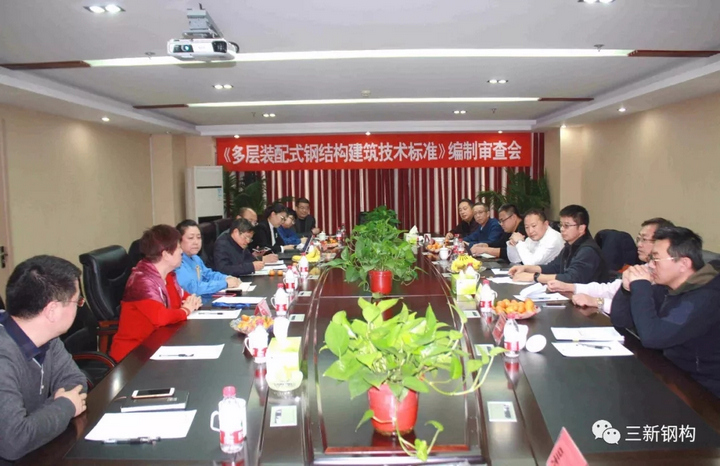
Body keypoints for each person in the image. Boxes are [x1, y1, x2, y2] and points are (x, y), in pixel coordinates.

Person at [611, 226, 720, 397]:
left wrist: (641, 286)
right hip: (671, 372)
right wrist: (626, 290)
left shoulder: (705, 298)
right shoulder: (666, 288)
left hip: (703, 389)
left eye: (656, 259)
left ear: (683, 264)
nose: (650, 265)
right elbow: (621, 321)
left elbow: (653, 337)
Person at [0, 255, 88, 461]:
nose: (79, 307)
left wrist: (38, 421)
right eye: (77, 301)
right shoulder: (3, 356)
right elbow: (14, 441)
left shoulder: (48, 338)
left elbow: (76, 382)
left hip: (35, 452)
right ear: (52, 310)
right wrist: (64, 406)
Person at [109, 225, 203, 362]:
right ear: (165, 254)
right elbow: (161, 317)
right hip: (134, 355)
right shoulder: (141, 281)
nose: (181, 251)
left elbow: (186, 298)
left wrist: (190, 304)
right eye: (178, 248)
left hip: (161, 343)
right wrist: (186, 310)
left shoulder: (168, 275)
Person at [548, 218, 674, 313]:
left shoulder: (666, 275)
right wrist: (570, 287)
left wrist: (597, 302)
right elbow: (610, 290)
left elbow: (635, 309)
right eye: (638, 239)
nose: (639, 245)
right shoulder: (644, 268)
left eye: (644, 240)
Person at [510, 204, 609, 284]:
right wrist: (526, 268)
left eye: (566, 225)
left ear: (581, 228)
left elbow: (571, 278)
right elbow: (553, 267)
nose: (561, 229)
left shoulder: (588, 250)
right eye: (561, 225)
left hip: (589, 300)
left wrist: (534, 277)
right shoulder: (569, 245)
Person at [174, 220, 242, 295]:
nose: (196, 242)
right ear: (179, 241)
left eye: (199, 237)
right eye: (191, 238)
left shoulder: (196, 258)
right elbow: (193, 288)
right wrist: (225, 283)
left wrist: (227, 278)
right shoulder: (177, 262)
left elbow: (208, 275)